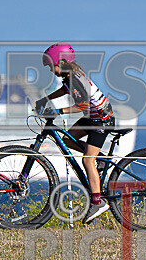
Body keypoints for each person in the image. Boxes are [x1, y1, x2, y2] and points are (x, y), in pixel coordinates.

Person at [35, 42, 115, 223]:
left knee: (87, 160)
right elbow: (66, 90)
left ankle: (98, 202)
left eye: (51, 66)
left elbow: (83, 105)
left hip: (101, 119)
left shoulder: (74, 78)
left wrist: (58, 112)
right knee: (67, 140)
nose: (50, 70)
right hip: (93, 117)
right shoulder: (70, 76)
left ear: (61, 63)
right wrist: (46, 98)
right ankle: (101, 159)